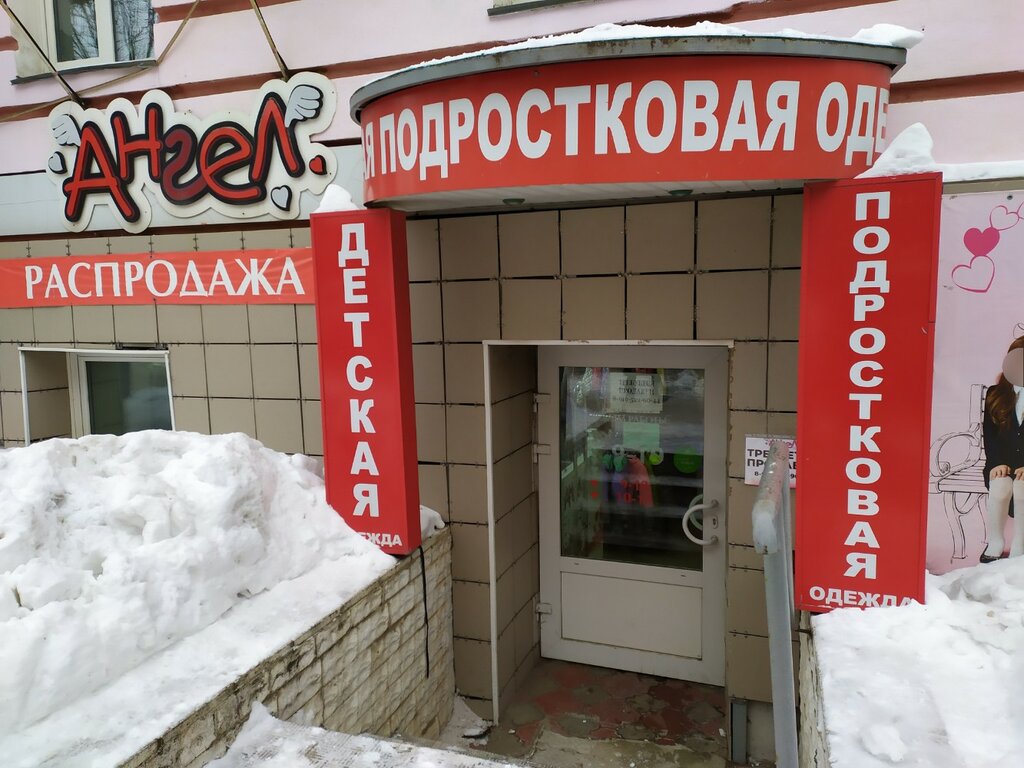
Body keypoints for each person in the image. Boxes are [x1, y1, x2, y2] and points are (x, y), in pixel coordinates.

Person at [980, 335, 1024, 562]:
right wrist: (996, 463)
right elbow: (990, 436)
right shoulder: (995, 393)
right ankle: (995, 542)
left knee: (1022, 487)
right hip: (1001, 462)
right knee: (1000, 485)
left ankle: (1020, 545)